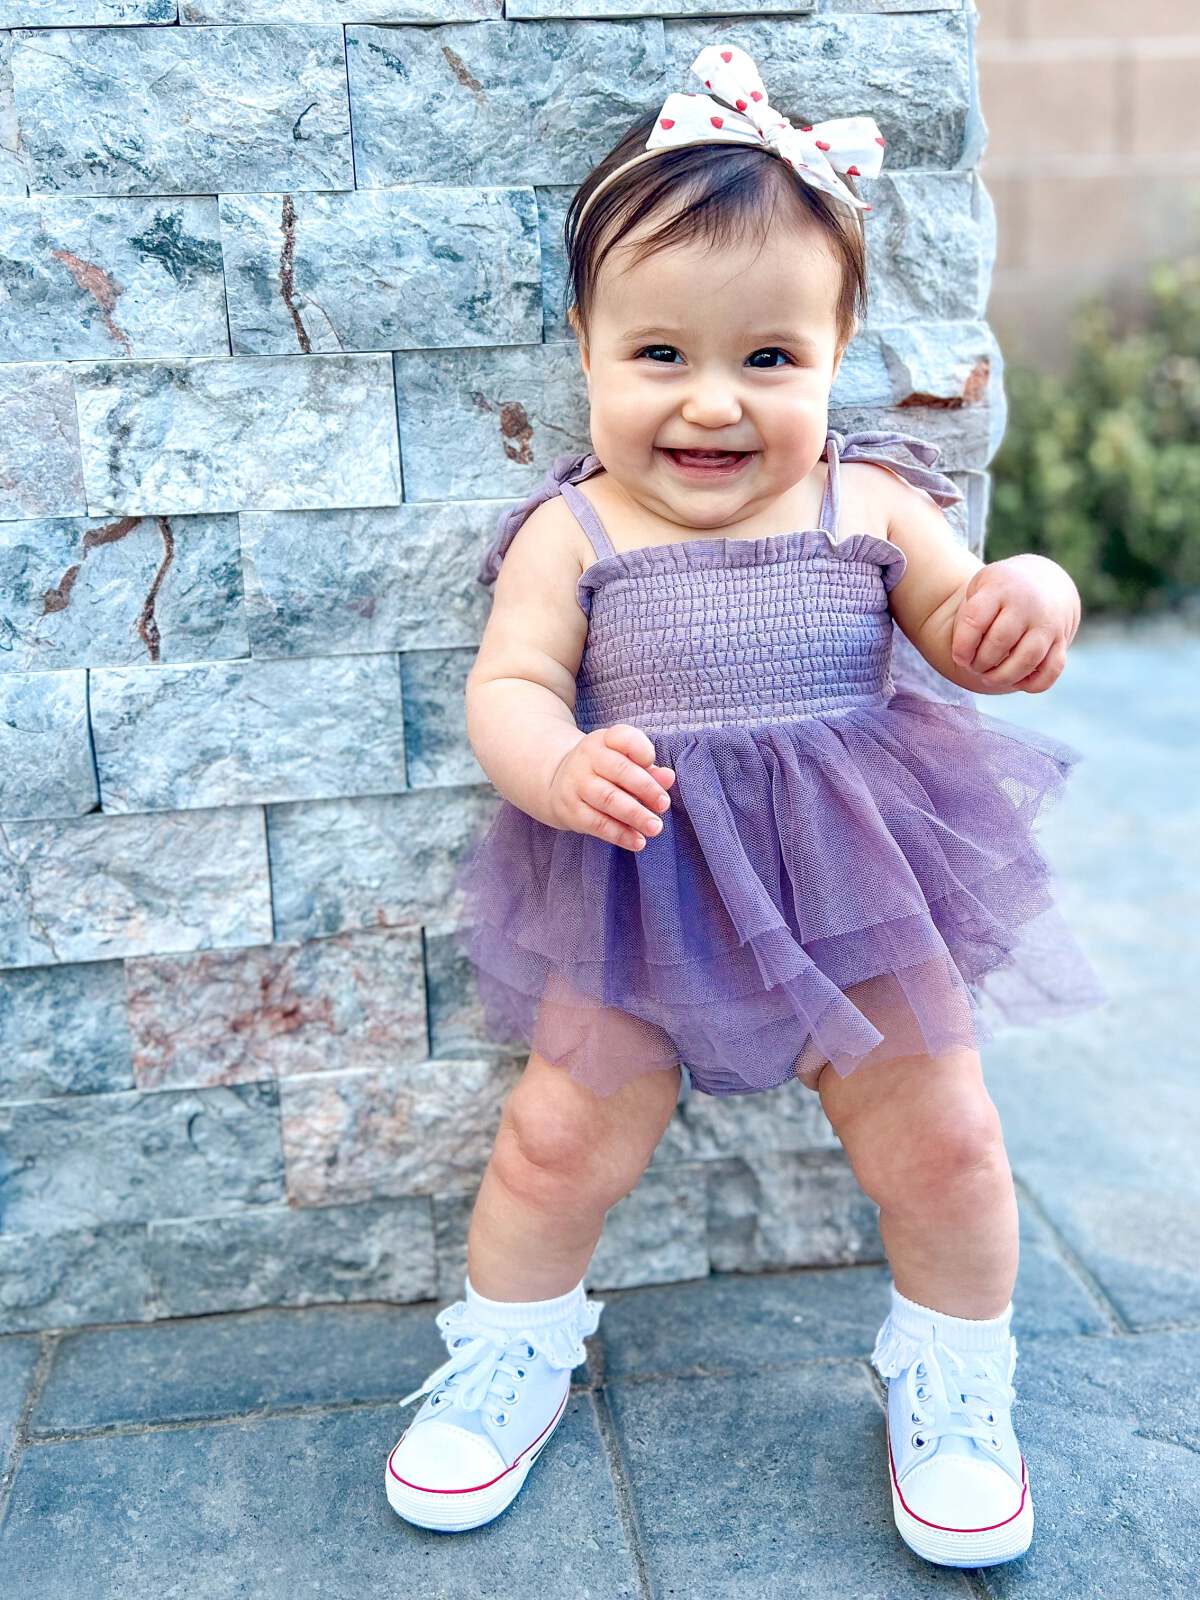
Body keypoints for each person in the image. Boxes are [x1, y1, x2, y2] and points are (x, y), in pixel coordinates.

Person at [385, 42, 1107, 1566]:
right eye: (662, 356)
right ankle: (515, 1347)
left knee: (949, 1143)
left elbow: (972, 613)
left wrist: (1029, 594)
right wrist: (553, 763)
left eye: (768, 360)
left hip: (859, 887)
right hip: (641, 884)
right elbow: (511, 686)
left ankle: (956, 1378)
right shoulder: (570, 533)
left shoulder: (872, 504)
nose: (713, 405)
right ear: (585, 343)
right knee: (554, 1142)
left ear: (836, 349)